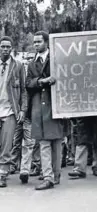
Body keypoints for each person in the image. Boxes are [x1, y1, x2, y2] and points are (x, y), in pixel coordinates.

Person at [26, 31, 65, 190]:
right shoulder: (31, 64)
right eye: (34, 42)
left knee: (56, 142)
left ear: (46, 43)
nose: (36, 45)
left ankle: (55, 175)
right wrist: (42, 81)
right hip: (39, 108)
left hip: (55, 105)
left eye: (39, 42)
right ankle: (48, 176)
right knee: (43, 142)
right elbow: (28, 83)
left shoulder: (57, 59)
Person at [0, 36, 27, 187]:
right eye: (2, 46)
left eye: (7, 47)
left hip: (10, 110)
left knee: (7, 144)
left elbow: (23, 90)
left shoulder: (17, 66)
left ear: (11, 49)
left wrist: (23, 109)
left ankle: (2, 174)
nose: (5, 49)